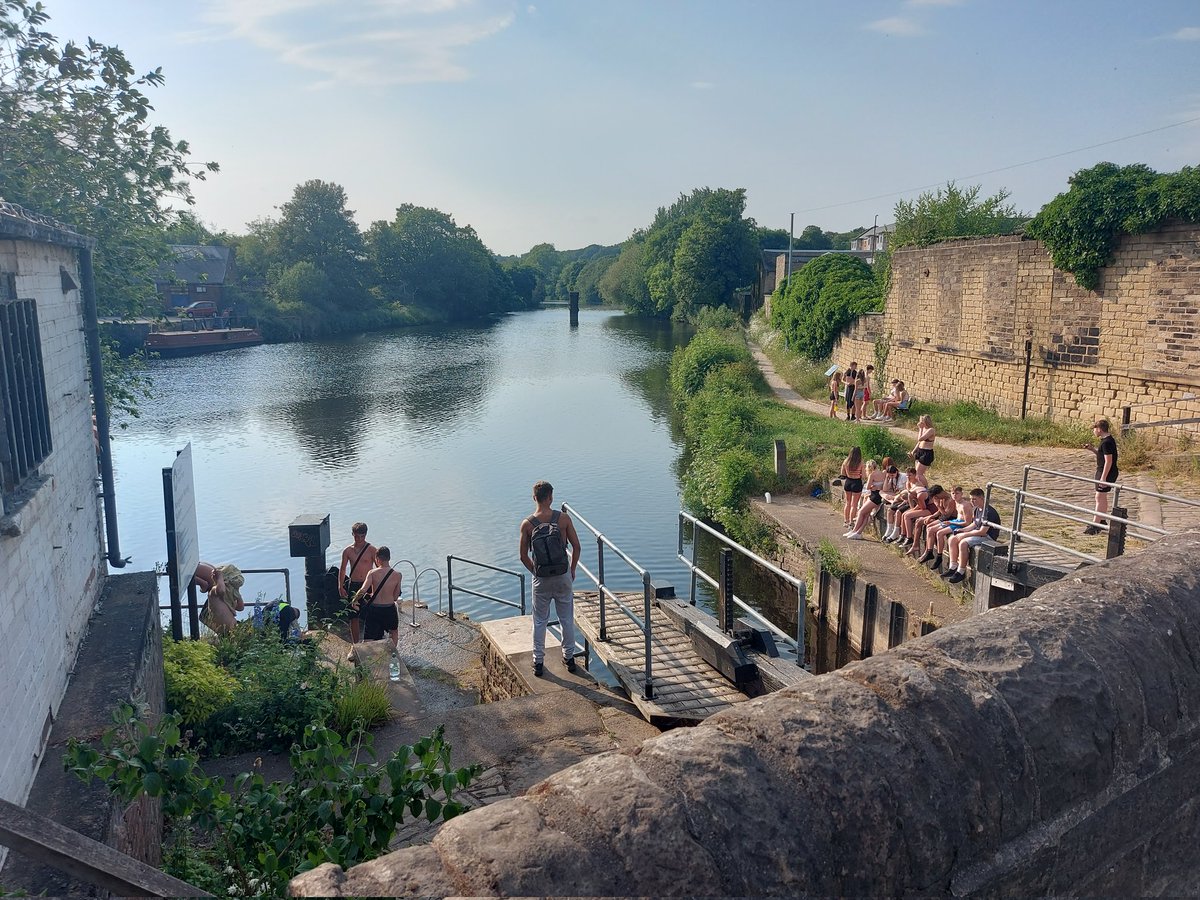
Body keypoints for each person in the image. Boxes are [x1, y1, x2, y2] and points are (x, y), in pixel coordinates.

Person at [519, 481, 582, 678]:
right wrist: (571, 570)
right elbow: (577, 547)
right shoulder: (563, 519)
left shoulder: (528, 524)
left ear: (534, 498)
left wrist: (536, 572)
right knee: (566, 619)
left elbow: (522, 556)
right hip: (563, 575)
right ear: (550, 497)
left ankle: (538, 662)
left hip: (541, 578)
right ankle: (569, 659)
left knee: (539, 621)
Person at [941, 488, 1003, 584]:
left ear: (982, 498)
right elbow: (974, 524)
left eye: (974, 499)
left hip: (988, 536)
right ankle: (953, 567)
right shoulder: (977, 509)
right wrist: (962, 530)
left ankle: (961, 572)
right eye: (971, 499)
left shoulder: (988, 512)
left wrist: (965, 534)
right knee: (952, 539)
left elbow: (982, 532)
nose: (972, 501)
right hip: (979, 533)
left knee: (963, 543)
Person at [351, 546, 402, 651]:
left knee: (369, 638)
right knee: (393, 632)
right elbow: (396, 597)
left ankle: (368, 660)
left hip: (374, 609)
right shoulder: (397, 575)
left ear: (377, 559)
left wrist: (354, 600)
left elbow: (363, 590)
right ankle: (391, 653)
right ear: (389, 558)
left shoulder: (372, 573)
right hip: (389, 609)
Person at [339, 522, 377, 644]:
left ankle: (368, 642)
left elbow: (379, 569)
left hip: (367, 585)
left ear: (366, 535)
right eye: (357, 536)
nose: (359, 539)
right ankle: (355, 644)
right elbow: (343, 569)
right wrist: (340, 585)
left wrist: (377, 588)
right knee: (353, 616)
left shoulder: (372, 550)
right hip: (354, 584)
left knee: (369, 616)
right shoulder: (347, 551)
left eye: (362, 536)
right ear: (352, 535)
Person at [1083, 419, 1119, 534]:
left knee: (1099, 497)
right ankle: (1101, 520)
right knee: (1101, 497)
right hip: (1104, 471)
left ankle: (1095, 524)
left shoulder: (1106, 442)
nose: (1093, 431)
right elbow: (1103, 455)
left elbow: (1108, 461)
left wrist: (1103, 478)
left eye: (1094, 429)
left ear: (1099, 429)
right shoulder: (1106, 440)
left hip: (1105, 472)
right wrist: (1093, 449)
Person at [193, 561, 245, 634]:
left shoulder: (218, 594)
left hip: (232, 631)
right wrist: (236, 591)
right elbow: (241, 607)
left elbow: (221, 590)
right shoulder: (220, 594)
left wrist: (219, 578)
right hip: (233, 629)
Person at [845, 459, 887, 539]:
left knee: (861, 512)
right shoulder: (882, 473)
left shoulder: (872, 475)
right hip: (878, 495)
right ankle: (858, 532)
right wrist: (876, 487)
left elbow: (867, 487)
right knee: (866, 514)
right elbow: (882, 485)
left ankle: (855, 531)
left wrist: (872, 486)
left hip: (874, 496)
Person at [840, 446, 865, 528]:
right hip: (856, 482)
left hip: (848, 482)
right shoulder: (861, 462)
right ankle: (851, 522)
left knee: (847, 503)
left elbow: (842, 474)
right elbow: (864, 476)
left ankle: (845, 521)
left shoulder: (846, 461)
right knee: (854, 504)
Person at [910, 414, 936, 480]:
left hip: (926, 453)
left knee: (919, 473)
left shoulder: (931, 430)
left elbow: (920, 438)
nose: (920, 423)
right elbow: (919, 442)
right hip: (920, 451)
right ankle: (920, 486)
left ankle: (926, 487)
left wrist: (920, 429)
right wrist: (913, 451)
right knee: (916, 473)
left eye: (921, 422)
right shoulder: (923, 429)